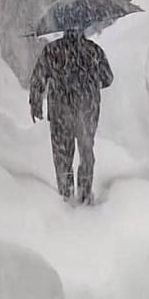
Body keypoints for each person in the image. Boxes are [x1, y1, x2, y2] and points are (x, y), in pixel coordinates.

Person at [29, 28, 113, 205]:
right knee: (86, 150)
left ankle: (66, 195)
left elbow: (38, 79)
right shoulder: (93, 50)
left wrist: (35, 104)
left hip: (60, 109)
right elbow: (108, 78)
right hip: (87, 109)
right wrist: (89, 82)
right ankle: (85, 192)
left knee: (62, 154)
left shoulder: (52, 50)